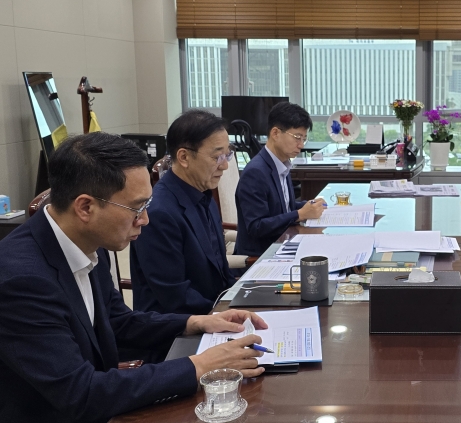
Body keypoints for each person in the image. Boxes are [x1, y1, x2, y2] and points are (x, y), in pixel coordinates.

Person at [0, 132, 267, 423]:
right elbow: (80, 393)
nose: (145, 220)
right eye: (136, 208)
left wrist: (194, 322)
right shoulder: (22, 280)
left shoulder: (86, 240)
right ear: (85, 207)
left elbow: (117, 322)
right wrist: (198, 366)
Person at [130, 110, 236, 315]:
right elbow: (175, 296)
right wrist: (224, 313)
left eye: (228, 154)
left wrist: (241, 298)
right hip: (180, 325)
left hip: (214, 311)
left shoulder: (203, 194)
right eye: (217, 156)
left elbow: (221, 273)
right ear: (184, 157)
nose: (225, 165)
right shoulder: (158, 213)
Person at [235, 102, 325, 256]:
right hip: (262, 255)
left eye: (304, 139)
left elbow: (283, 207)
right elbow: (257, 226)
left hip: (283, 243)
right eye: (297, 137)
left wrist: (308, 206)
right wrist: (300, 214)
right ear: (275, 133)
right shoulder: (255, 172)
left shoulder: (281, 163)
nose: (301, 145)